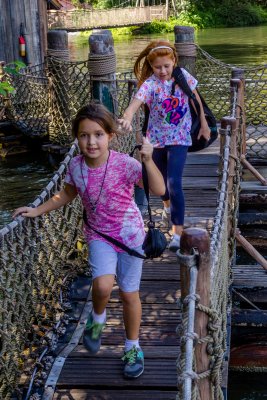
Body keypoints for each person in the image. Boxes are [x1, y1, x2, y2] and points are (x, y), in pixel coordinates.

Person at [13, 102, 165, 379]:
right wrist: (36, 209)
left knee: (130, 294)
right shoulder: (75, 166)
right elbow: (67, 194)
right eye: (84, 135)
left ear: (110, 136)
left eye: (97, 134)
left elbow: (158, 189)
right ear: (77, 138)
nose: (91, 141)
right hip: (99, 235)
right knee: (103, 285)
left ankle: (132, 347)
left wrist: (148, 160)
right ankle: (97, 318)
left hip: (131, 237)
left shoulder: (126, 164)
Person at [119, 40, 211, 252]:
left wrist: (204, 124)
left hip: (179, 139)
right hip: (156, 140)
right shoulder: (150, 84)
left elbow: (195, 98)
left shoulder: (182, 77)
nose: (162, 71)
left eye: (166, 66)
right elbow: (135, 104)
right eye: (157, 67)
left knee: (174, 182)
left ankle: (178, 233)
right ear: (152, 67)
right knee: (159, 186)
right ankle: (167, 205)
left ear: (174, 62)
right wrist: (126, 118)